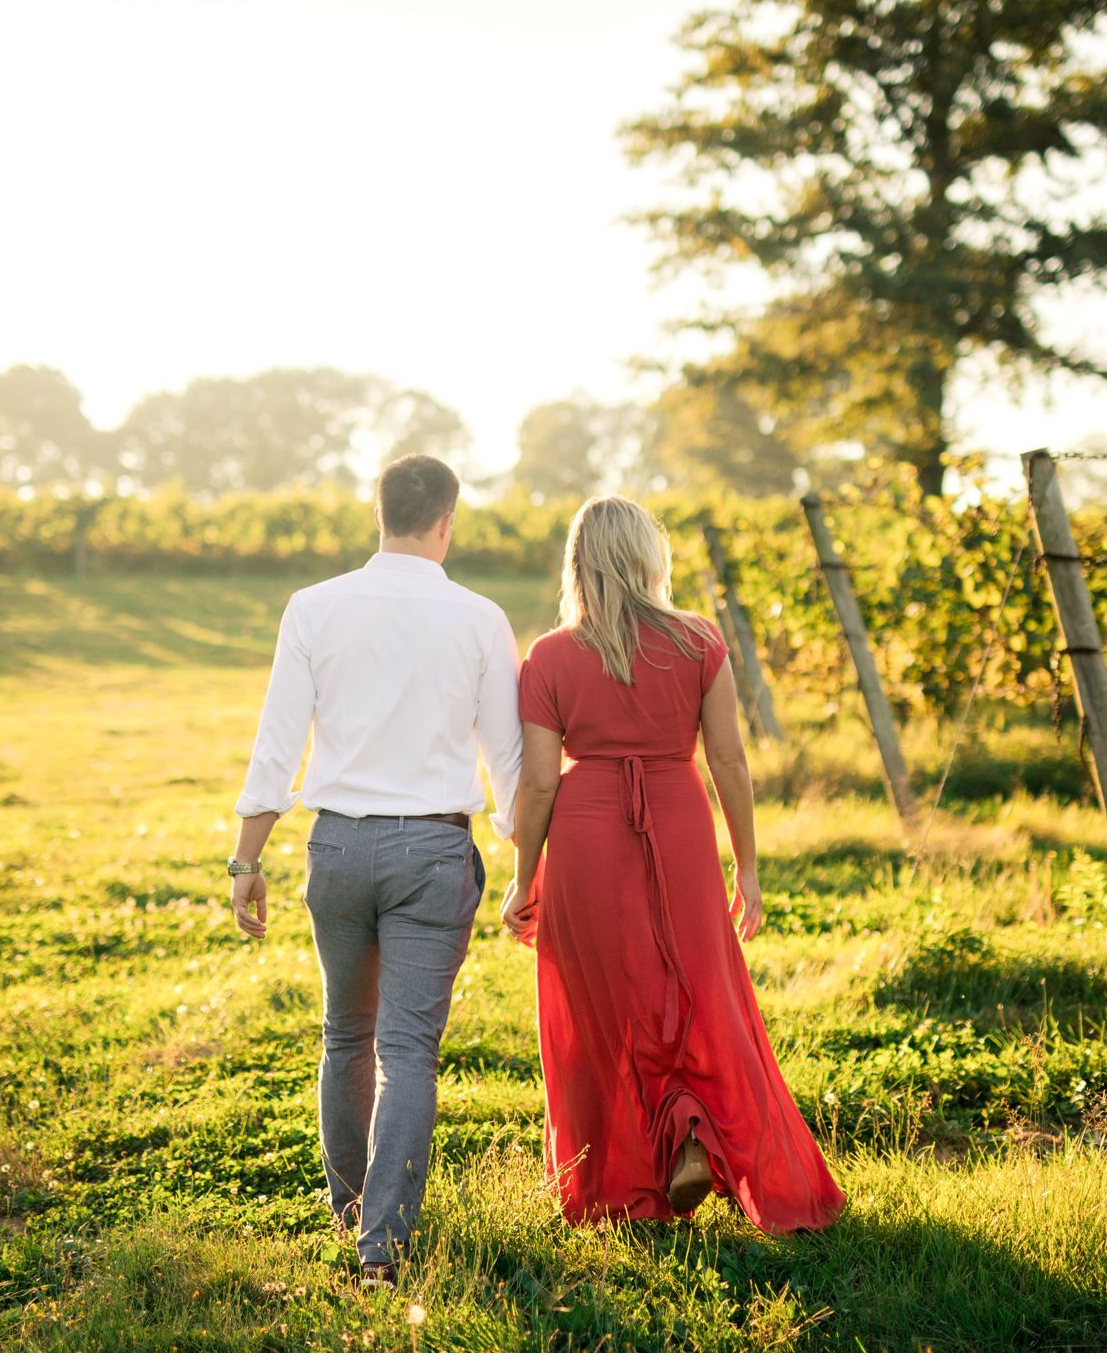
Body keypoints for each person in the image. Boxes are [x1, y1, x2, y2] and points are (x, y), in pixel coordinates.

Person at [501, 495, 842, 1233]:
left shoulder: (551, 656)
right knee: (694, 988)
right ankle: (689, 1128)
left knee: (603, 1003)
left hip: (585, 834)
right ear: (649, 558)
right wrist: (746, 868)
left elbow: (535, 784)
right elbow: (727, 759)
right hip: (681, 822)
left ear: (578, 564)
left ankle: (626, 1188)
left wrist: (522, 879)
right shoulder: (698, 642)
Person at [228, 454, 523, 1285]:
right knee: (407, 1051)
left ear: (379, 514)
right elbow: (508, 758)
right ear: (446, 522)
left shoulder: (313, 608)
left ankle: (353, 1212)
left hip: (339, 848)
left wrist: (244, 858)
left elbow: (277, 740)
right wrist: (524, 862)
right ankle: (381, 1249)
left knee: (343, 1037)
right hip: (432, 851)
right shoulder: (479, 616)